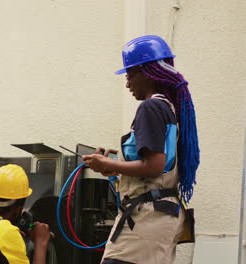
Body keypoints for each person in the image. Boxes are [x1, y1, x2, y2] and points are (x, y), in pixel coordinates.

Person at [83, 35, 199, 264]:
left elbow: (154, 166)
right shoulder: (166, 108)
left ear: (146, 72)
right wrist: (115, 165)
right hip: (159, 218)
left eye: (129, 75)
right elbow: (160, 164)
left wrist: (106, 164)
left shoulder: (150, 107)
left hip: (145, 220)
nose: (127, 83)